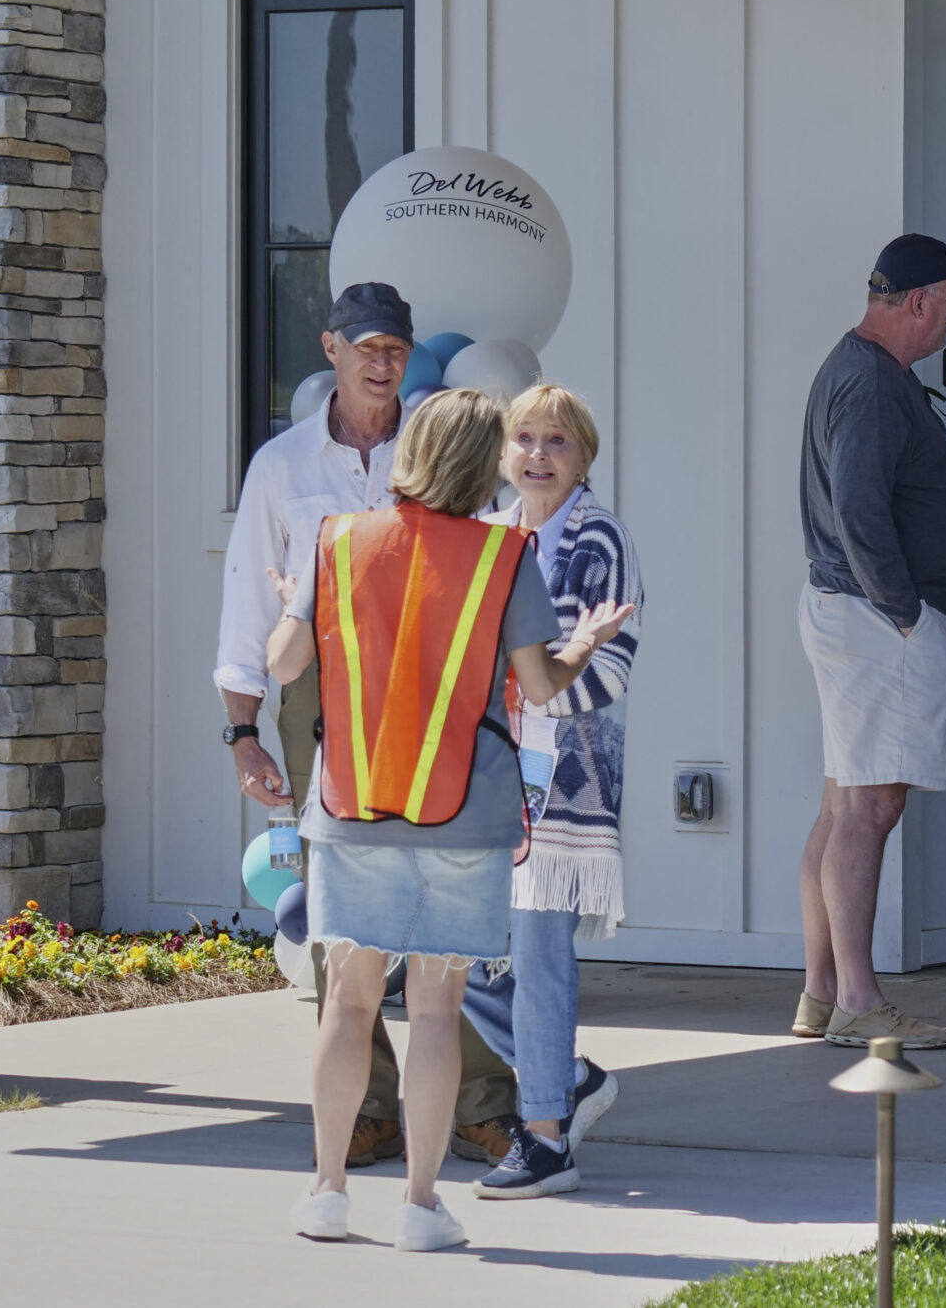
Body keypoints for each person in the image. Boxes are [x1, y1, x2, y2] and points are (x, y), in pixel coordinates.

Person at [266, 388, 616, 1249]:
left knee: (347, 1003)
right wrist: (586, 641)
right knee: (433, 1010)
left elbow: (283, 662)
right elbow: (541, 685)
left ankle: (327, 1192)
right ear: (482, 462)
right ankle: (421, 1205)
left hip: (352, 804)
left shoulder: (337, 540)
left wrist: (294, 601)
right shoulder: (505, 554)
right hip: (466, 813)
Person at [216, 283, 520, 1167]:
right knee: (336, 910)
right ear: (331, 349)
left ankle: (479, 1103)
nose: (382, 362)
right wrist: (242, 732)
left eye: (395, 347)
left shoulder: (442, 440)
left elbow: (495, 555)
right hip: (322, 694)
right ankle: (367, 1108)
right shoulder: (281, 465)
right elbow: (247, 604)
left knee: (450, 906)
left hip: (434, 685)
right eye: (366, 346)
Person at [794, 233, 946, 1052]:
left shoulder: (862, 369)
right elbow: (859, 507)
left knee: (844, 803)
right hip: (877, 621)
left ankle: (823, 991)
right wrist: (903, 611)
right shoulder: (871, 383)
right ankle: (859, 1001)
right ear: (915, 301)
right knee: (869, 807)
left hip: (857, 614)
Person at [462, 384, 643, 1198]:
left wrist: (532, 687)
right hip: (485, 778)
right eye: (525, 437)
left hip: (565, 783)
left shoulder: (600, 536)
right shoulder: (490, 534)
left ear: (585, 454)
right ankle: (565, 1078)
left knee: (538, 953)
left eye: (557, 440)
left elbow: (608, 668)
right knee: (448, 950)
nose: (538, 454)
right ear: (503, 451)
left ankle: (545, 1140)